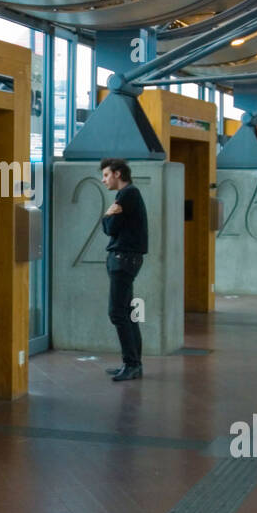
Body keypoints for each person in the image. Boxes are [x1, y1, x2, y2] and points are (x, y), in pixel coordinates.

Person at [99, 158, 148, 381]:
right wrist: (109, 217)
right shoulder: (129, 195)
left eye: (107, 175)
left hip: (123, 259)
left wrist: (107, 215)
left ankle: (131, 363)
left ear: (118, 174)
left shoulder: (127, 195)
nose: (104, 179)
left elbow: (110, 229)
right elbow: (112, 228)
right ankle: (134, 363)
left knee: (117, 312)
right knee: (127, 312)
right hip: (127, 258)